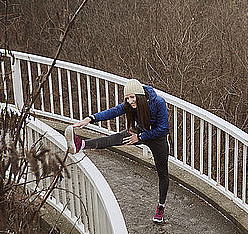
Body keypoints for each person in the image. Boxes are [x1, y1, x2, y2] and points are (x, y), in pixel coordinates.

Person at [64, 79, 170, 223]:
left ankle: (161, 206)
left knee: (162, 173)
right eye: (127, 98)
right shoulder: (130, 104)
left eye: (132, 97)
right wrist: (91, 118)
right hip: (140, 132)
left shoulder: (158, 102)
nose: (130, 101)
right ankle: (80, 144)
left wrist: (140, 137)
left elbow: (164, 128)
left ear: (139, 95)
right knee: (116, 138)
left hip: (157, 138)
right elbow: (114, 112)